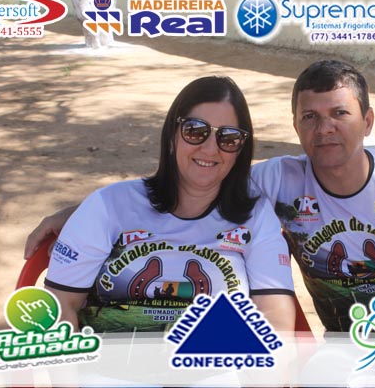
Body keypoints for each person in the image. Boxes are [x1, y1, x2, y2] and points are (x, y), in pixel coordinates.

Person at [28, 61, 375, 332]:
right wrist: (86, 209)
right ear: (295, 125)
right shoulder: (277, 180)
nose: (324, 128)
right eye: (310, 116)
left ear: (366, 122)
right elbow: (192, 179)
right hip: (346, 347)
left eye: (339, 114)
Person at [43, 76, 296, 333]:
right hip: (106, 357)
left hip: (217, 358)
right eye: (195, 131)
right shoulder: (107, 206)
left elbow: (275, 317)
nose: (211, 149)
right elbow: (59, 306)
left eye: (229, 138)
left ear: (240, 150)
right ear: (172, 137)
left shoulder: (256, 216)